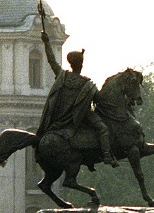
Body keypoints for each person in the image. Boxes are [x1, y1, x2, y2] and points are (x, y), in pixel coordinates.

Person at [39, 30, 118, 168]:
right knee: (103, 129)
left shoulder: (63, 76)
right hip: (82, 116)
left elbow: (51, 60)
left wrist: (46, 43)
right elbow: (100, 100)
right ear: (80, 65)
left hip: (62, 115)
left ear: (71, 64)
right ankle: (106, 155)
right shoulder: (86, 84)